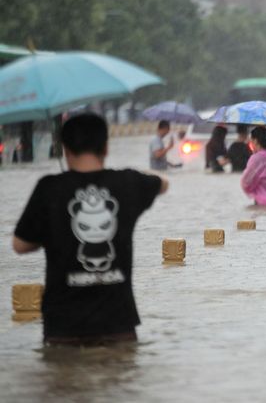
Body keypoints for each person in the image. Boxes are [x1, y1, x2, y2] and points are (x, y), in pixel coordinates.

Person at [12, 113, 168, 346]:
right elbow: (163, 183)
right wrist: (131, 174)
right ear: (105, 147)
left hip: (63, 329)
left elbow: (20, 245)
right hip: (118, 326)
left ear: (63, 148)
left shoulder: (49, 188)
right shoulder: (127, 183)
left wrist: (54, 230)